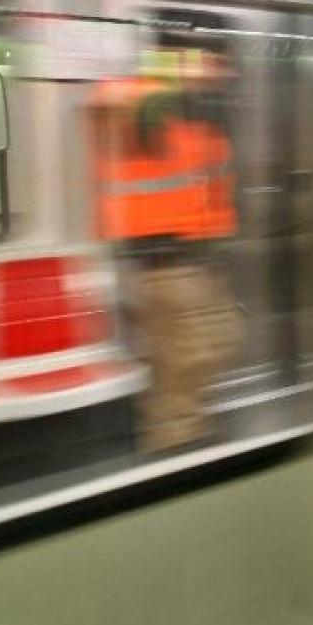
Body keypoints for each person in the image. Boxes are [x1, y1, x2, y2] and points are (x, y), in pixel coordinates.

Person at [89, 29, 241, 451]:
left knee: (222, 340)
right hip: (161, 260)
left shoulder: (204, 117)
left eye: (222, 62)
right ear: (175, 60)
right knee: (186, 357)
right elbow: (114, 103)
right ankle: (175, 446)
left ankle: (187, 426)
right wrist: (170, 95)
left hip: (200, 257)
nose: (221, 71)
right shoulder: (137, 95)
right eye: (211, 60)